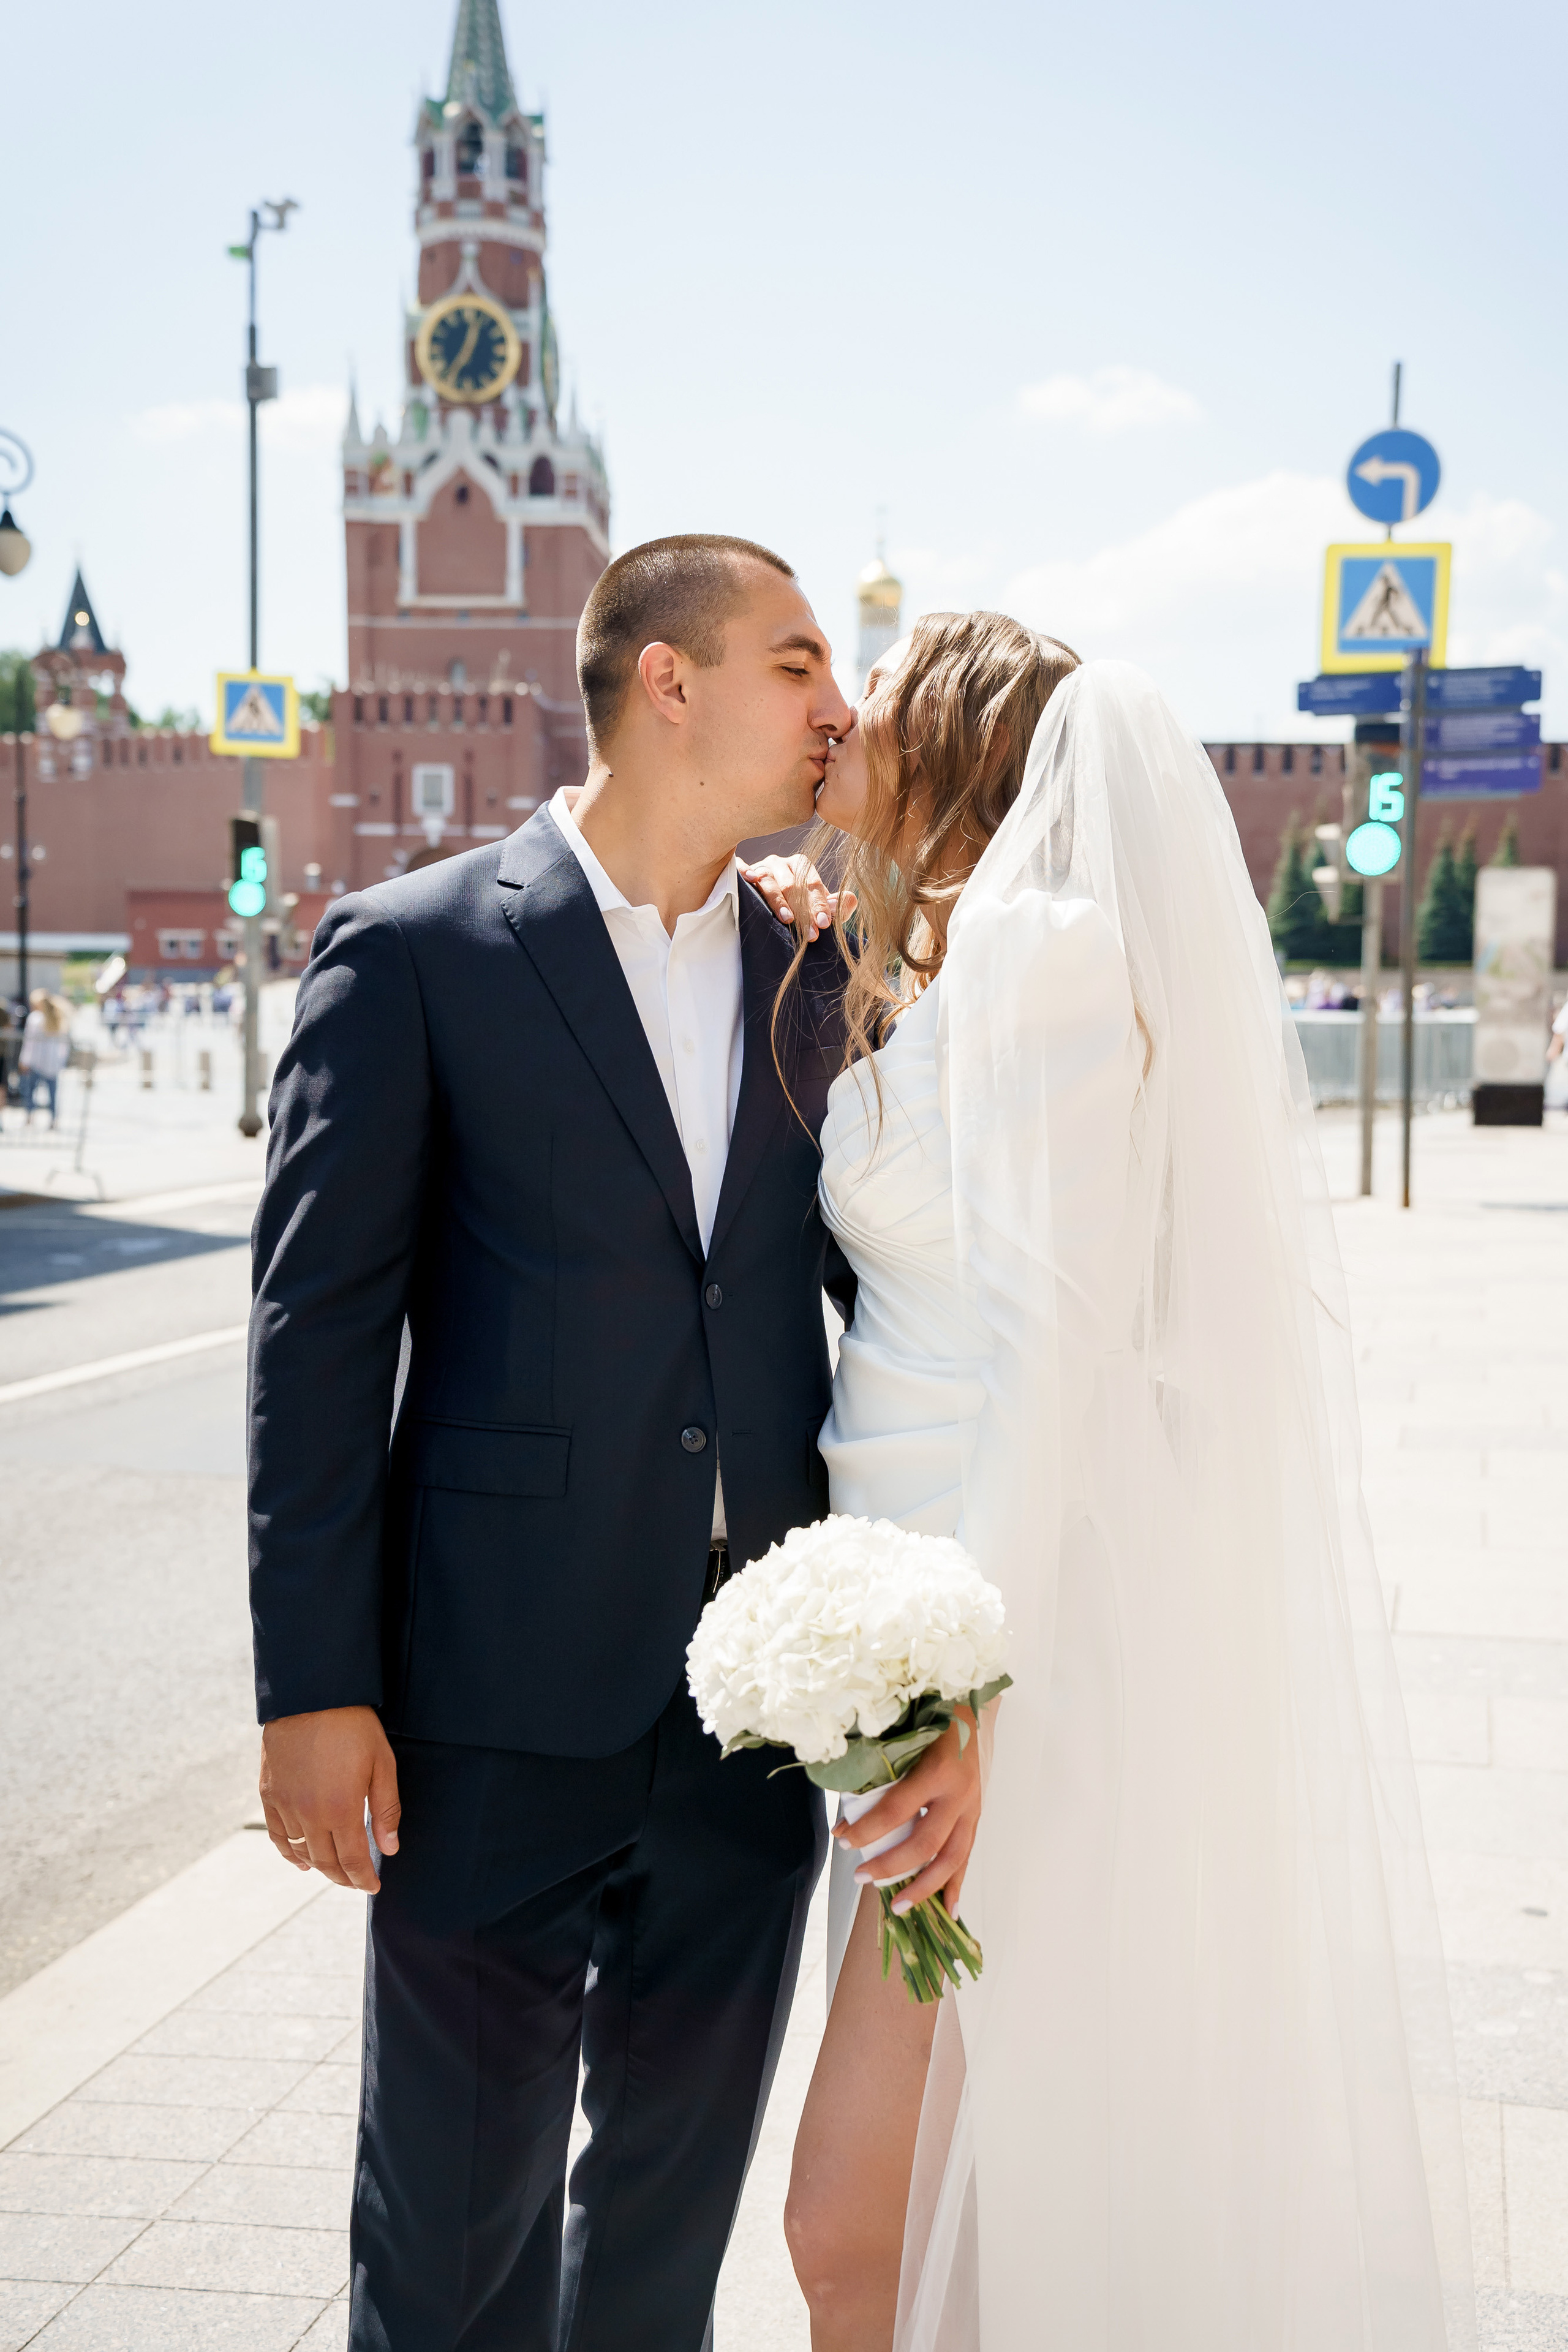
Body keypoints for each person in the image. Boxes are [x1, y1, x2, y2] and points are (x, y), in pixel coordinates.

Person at [249, 535, 954, 2352]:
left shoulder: (817, 967)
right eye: (796, 660)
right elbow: (317, 1342)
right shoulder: (411, 954)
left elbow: (880, 1318)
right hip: (486, 1714)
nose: (835, 700)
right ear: (668, 683)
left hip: (743, 1728)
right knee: (448, 2238)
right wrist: (310, 1685)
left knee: (660, 2235)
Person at [753, 617, 1472, 2351]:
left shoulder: (1046, 957)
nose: (842, 714)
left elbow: (1054, 1354)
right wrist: (852, 930)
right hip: (928, 1631)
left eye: (879, 689)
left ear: (953, 738)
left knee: (848, 2226)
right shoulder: (969, 959)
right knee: (971, 2191)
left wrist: (969, 1693)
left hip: (999, 1655)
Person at [18, 989, 72, 1123]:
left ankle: (30, 1116)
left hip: (36, 1061)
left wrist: (24, 1060)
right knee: (52, 1093)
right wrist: (61, 1060)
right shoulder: (57, 1018)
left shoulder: (35, 1019)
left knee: (30, 1091)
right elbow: (64, 1045)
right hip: (52, 1062)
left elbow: (29, 1043)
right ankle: (53, 1119)